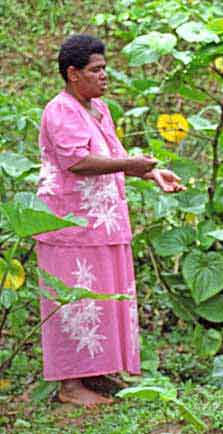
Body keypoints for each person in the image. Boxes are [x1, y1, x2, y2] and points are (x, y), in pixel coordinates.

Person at [35, 34, 185, 406]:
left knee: (103, 299)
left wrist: (152, 174)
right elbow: (76, 160)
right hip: (68, 224)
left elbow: (114, 154)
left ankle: (97, 374)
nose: (104, 76)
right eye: (95, 70)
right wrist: (129, 165)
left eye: (104, 68)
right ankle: (70, 387)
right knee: (74, 301)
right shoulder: (59, 110)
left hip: (104, 223)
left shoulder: (100, 109)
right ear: (72, 73)